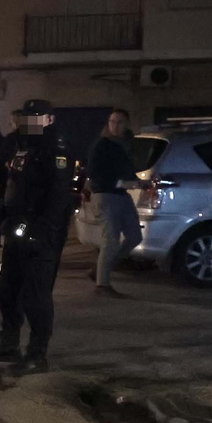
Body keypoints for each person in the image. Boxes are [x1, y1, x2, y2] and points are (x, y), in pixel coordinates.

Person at [0, 98, 73, 374]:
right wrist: (0, 223)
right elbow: (12, 187)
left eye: (36, 116)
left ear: (49, 119)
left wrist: (44, 231)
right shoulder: (23, 144)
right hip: (17, 224)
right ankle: (9, 345)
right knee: (7, 291)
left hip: (42, 230)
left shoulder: (55, 148)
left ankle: (38, 354)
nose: (29, 121)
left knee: (35, 295)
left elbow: (59, 195)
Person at [87, 108, 142, 296]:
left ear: (126, 124)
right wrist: (122, 182)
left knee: (135, 236)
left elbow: (127, 170)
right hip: (105, 194)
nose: (115, 126)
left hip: (121, 194)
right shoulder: (102, 145)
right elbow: (94, 173)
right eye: (112, 121)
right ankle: (102, 285)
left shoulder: (125, 144)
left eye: (119, 122)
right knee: (110, 239)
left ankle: (103, 267)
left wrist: (140, 182)